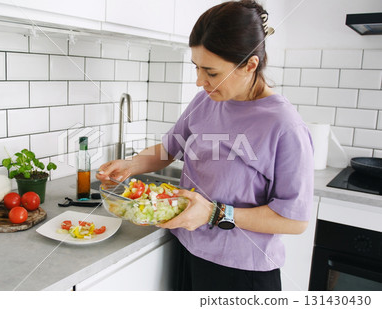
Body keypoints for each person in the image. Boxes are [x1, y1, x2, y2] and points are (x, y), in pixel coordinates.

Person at [96, 0, 314, 291]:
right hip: (188, 251)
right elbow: (168, 149)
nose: (200, 81)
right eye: (197, 68)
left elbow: (294, 221)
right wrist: (132, 164)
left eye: (211, 72)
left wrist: (215, 213)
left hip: (240, 273)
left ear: (250, 65)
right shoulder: (205, 101)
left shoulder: (285, 126)